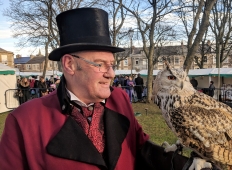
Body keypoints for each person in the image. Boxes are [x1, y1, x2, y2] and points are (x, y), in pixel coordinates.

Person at [0, 8, 214, 170]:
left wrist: (182, 164)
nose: (111, 73)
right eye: (100, 64)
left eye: (112, 64)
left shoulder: (120, 99)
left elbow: (141, 150)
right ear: (69, 64)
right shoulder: (23, 120)